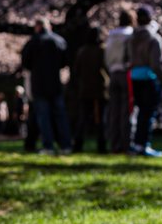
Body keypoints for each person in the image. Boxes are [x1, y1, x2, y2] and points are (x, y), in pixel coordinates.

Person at [20, 18, 71, 155]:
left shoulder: (32, 42)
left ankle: (48, 146)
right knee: (60, 116)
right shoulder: (58, 41)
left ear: (37, 27)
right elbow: (65, 61)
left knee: (44, 117)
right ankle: (65, 145)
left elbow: (26, 63)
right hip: (55, 83)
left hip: (39, 85)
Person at [128, 5, 162, 157]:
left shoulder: (132, 38)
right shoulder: (153, 38)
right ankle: (144, 145)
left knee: (139, 112)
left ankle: (137, 144)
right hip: (149, 78)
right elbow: (155, 64)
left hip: (134, 77)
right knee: (148, 113)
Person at [70, 26, 109, 153]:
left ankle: (78, 144)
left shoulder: (82, 51)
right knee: (100, 118)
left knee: (83, 117)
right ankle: (101, 145)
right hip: (99, 88)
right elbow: (106, 67)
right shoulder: (101, 50)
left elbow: (76, 71)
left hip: (85, 88)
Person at [104, 10, 134, 155]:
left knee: (114, 111)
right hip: (125, 72)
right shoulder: (129, 34)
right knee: (126, 111)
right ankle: (126, 143)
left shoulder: (111, 35)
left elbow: (107, 56)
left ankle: (114, 144)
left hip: (113, 73)